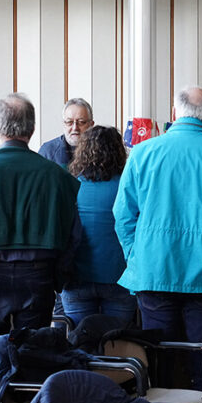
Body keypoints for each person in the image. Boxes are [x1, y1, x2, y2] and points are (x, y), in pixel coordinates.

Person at [113, 85, 202, 390]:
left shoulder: (144, 152)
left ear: (174, 113)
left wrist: (136, 254)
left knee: (159, 357)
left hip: (153, 270)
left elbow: (123, 215)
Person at [0, 93, 80, 343]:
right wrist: (57, 277)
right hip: (39, 276)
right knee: (32, 355)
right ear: (31, 130)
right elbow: (73, 237)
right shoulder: (58, 177)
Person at [62, 125, 135, 327]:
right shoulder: (127, 186)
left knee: (80, 344)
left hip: (77, 278)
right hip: (120, 278)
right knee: (116, 347)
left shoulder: (71, 185)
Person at [39, 98, 95, 167]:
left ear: (91, 125)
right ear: (63, 124)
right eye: (69, 122)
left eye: (81, 122)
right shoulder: (48, 151)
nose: (75, 128)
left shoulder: (102, 151)